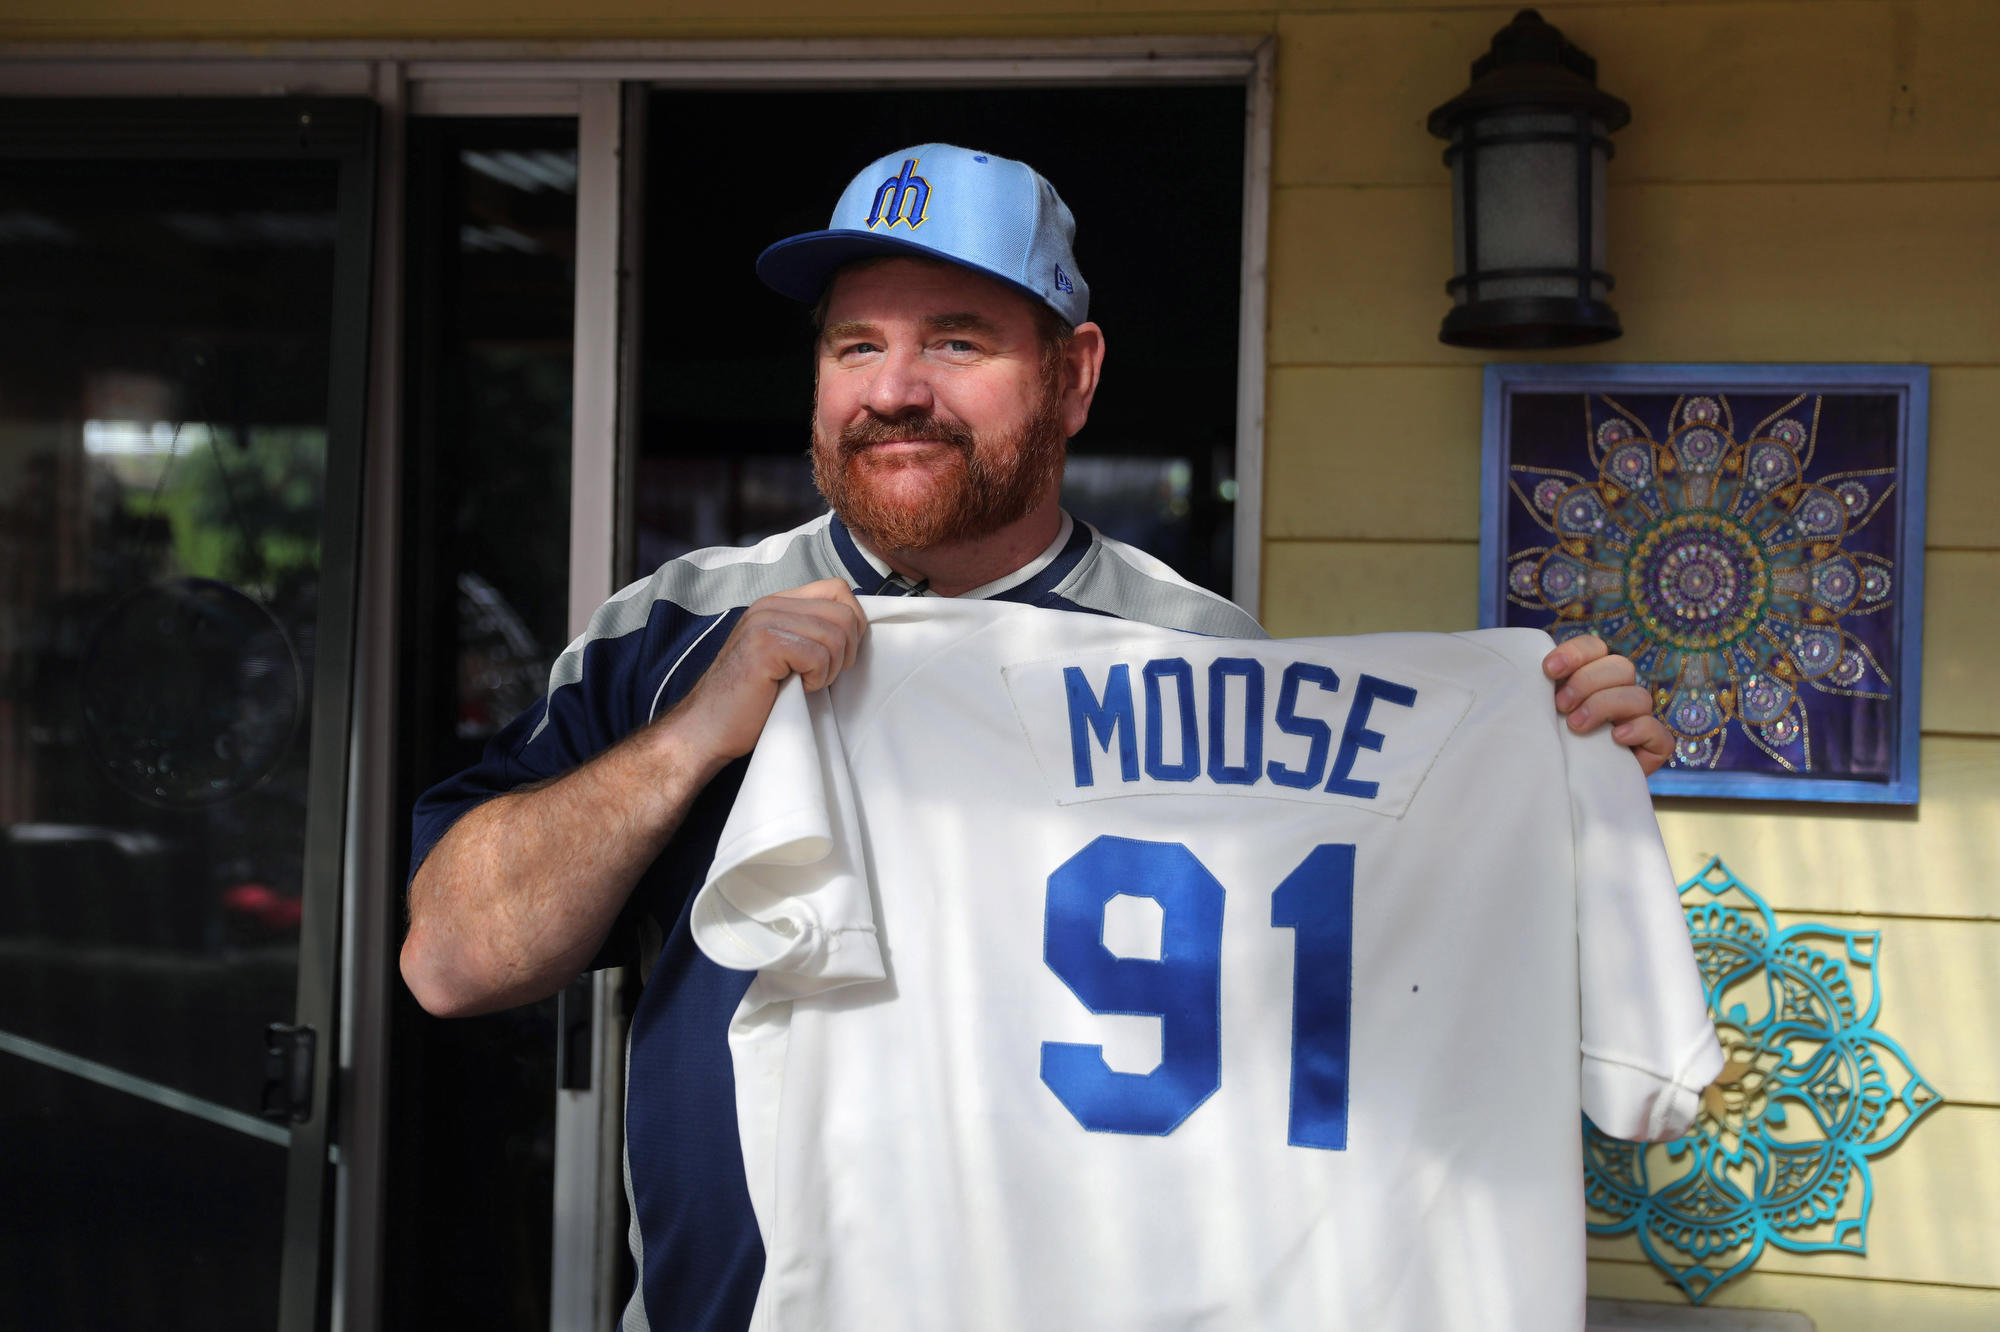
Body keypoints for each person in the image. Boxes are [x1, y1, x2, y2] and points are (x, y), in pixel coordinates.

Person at [402, 143, 1674, 1331]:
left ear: (1072, 376)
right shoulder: (671, 629)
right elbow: (450, 961)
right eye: (856, 346)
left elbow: (1372, 994)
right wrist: (691, 744)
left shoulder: (1201, 658)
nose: (894, 390)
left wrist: (1557, 776)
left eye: (956, 342)